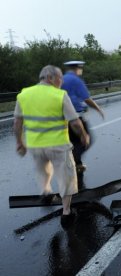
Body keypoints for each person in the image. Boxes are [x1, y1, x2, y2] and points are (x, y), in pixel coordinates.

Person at [13, 65, 90, 228]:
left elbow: (17, 122)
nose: (61, 82)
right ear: (50, 78)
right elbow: (75, 122)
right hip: (58, 145)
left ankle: (45, 192)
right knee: (66, 177)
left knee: (43, 171)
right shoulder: (60, 95)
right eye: (60, 78)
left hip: (35, 146)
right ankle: (67, 212)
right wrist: (84, 135)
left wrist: (19, 142)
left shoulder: (24, 94)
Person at [61, 60, 104, 173]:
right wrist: (98, 109)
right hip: (76, 116)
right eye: (81, 68)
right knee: (86, 139)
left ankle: (77, 164)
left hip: (63, 117)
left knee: (73, 141)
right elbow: (86, 98)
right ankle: (74, 161)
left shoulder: (60, 79)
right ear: (77, 68)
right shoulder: (76, 80)